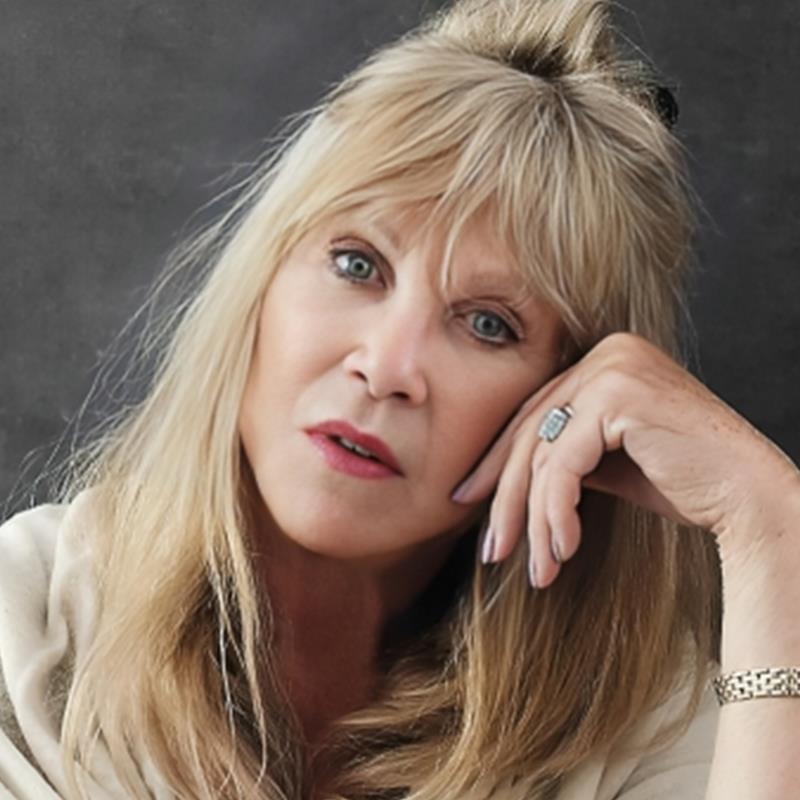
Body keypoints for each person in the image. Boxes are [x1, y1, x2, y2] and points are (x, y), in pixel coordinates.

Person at [1, 0, 798, 798]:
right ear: (260, 280)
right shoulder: (24, 621)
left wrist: (772, 526)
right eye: (357, 265)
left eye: (488, 324)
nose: (387, 368)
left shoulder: (641, 731)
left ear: (570, 396)